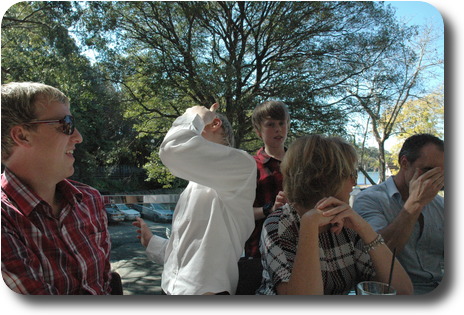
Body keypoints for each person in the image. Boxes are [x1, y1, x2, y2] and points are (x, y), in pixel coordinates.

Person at [257, 135, 413, 295]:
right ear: (325, 178)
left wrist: (365, 229)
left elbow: (403, 291)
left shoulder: (347, 223)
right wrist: (309, 225)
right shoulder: (279, 225)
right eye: (351, 174)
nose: (354, 182)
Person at [1, 82, 115, 294]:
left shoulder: (89, 200)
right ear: (22, 136)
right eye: (67, 124)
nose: (78, 137)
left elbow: (104, 283)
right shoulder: (5, 220)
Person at [133, 103, 256, 295]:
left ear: (214, 124)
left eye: (198, 125)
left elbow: (171, 149)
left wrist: (196, 115)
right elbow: (188, 255)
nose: (193, 127)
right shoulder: (192, 186)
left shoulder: (243, 166)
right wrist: (152, 242)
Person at [353, 134, 444, 294]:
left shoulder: (440, 205)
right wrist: (414, 204)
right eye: (428, 170)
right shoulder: (370, 200)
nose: (434, 179)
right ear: (404, 163)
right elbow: (376, 256)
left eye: (441, 173)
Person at [236, 101, 289, 295]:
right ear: (258, 131)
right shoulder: (249, 166)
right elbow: (240, 214)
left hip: (298, 250)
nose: (278, 129)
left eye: (282, 123)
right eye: (271, 124)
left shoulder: (302, 163)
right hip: (259, 254)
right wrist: (270, 208)